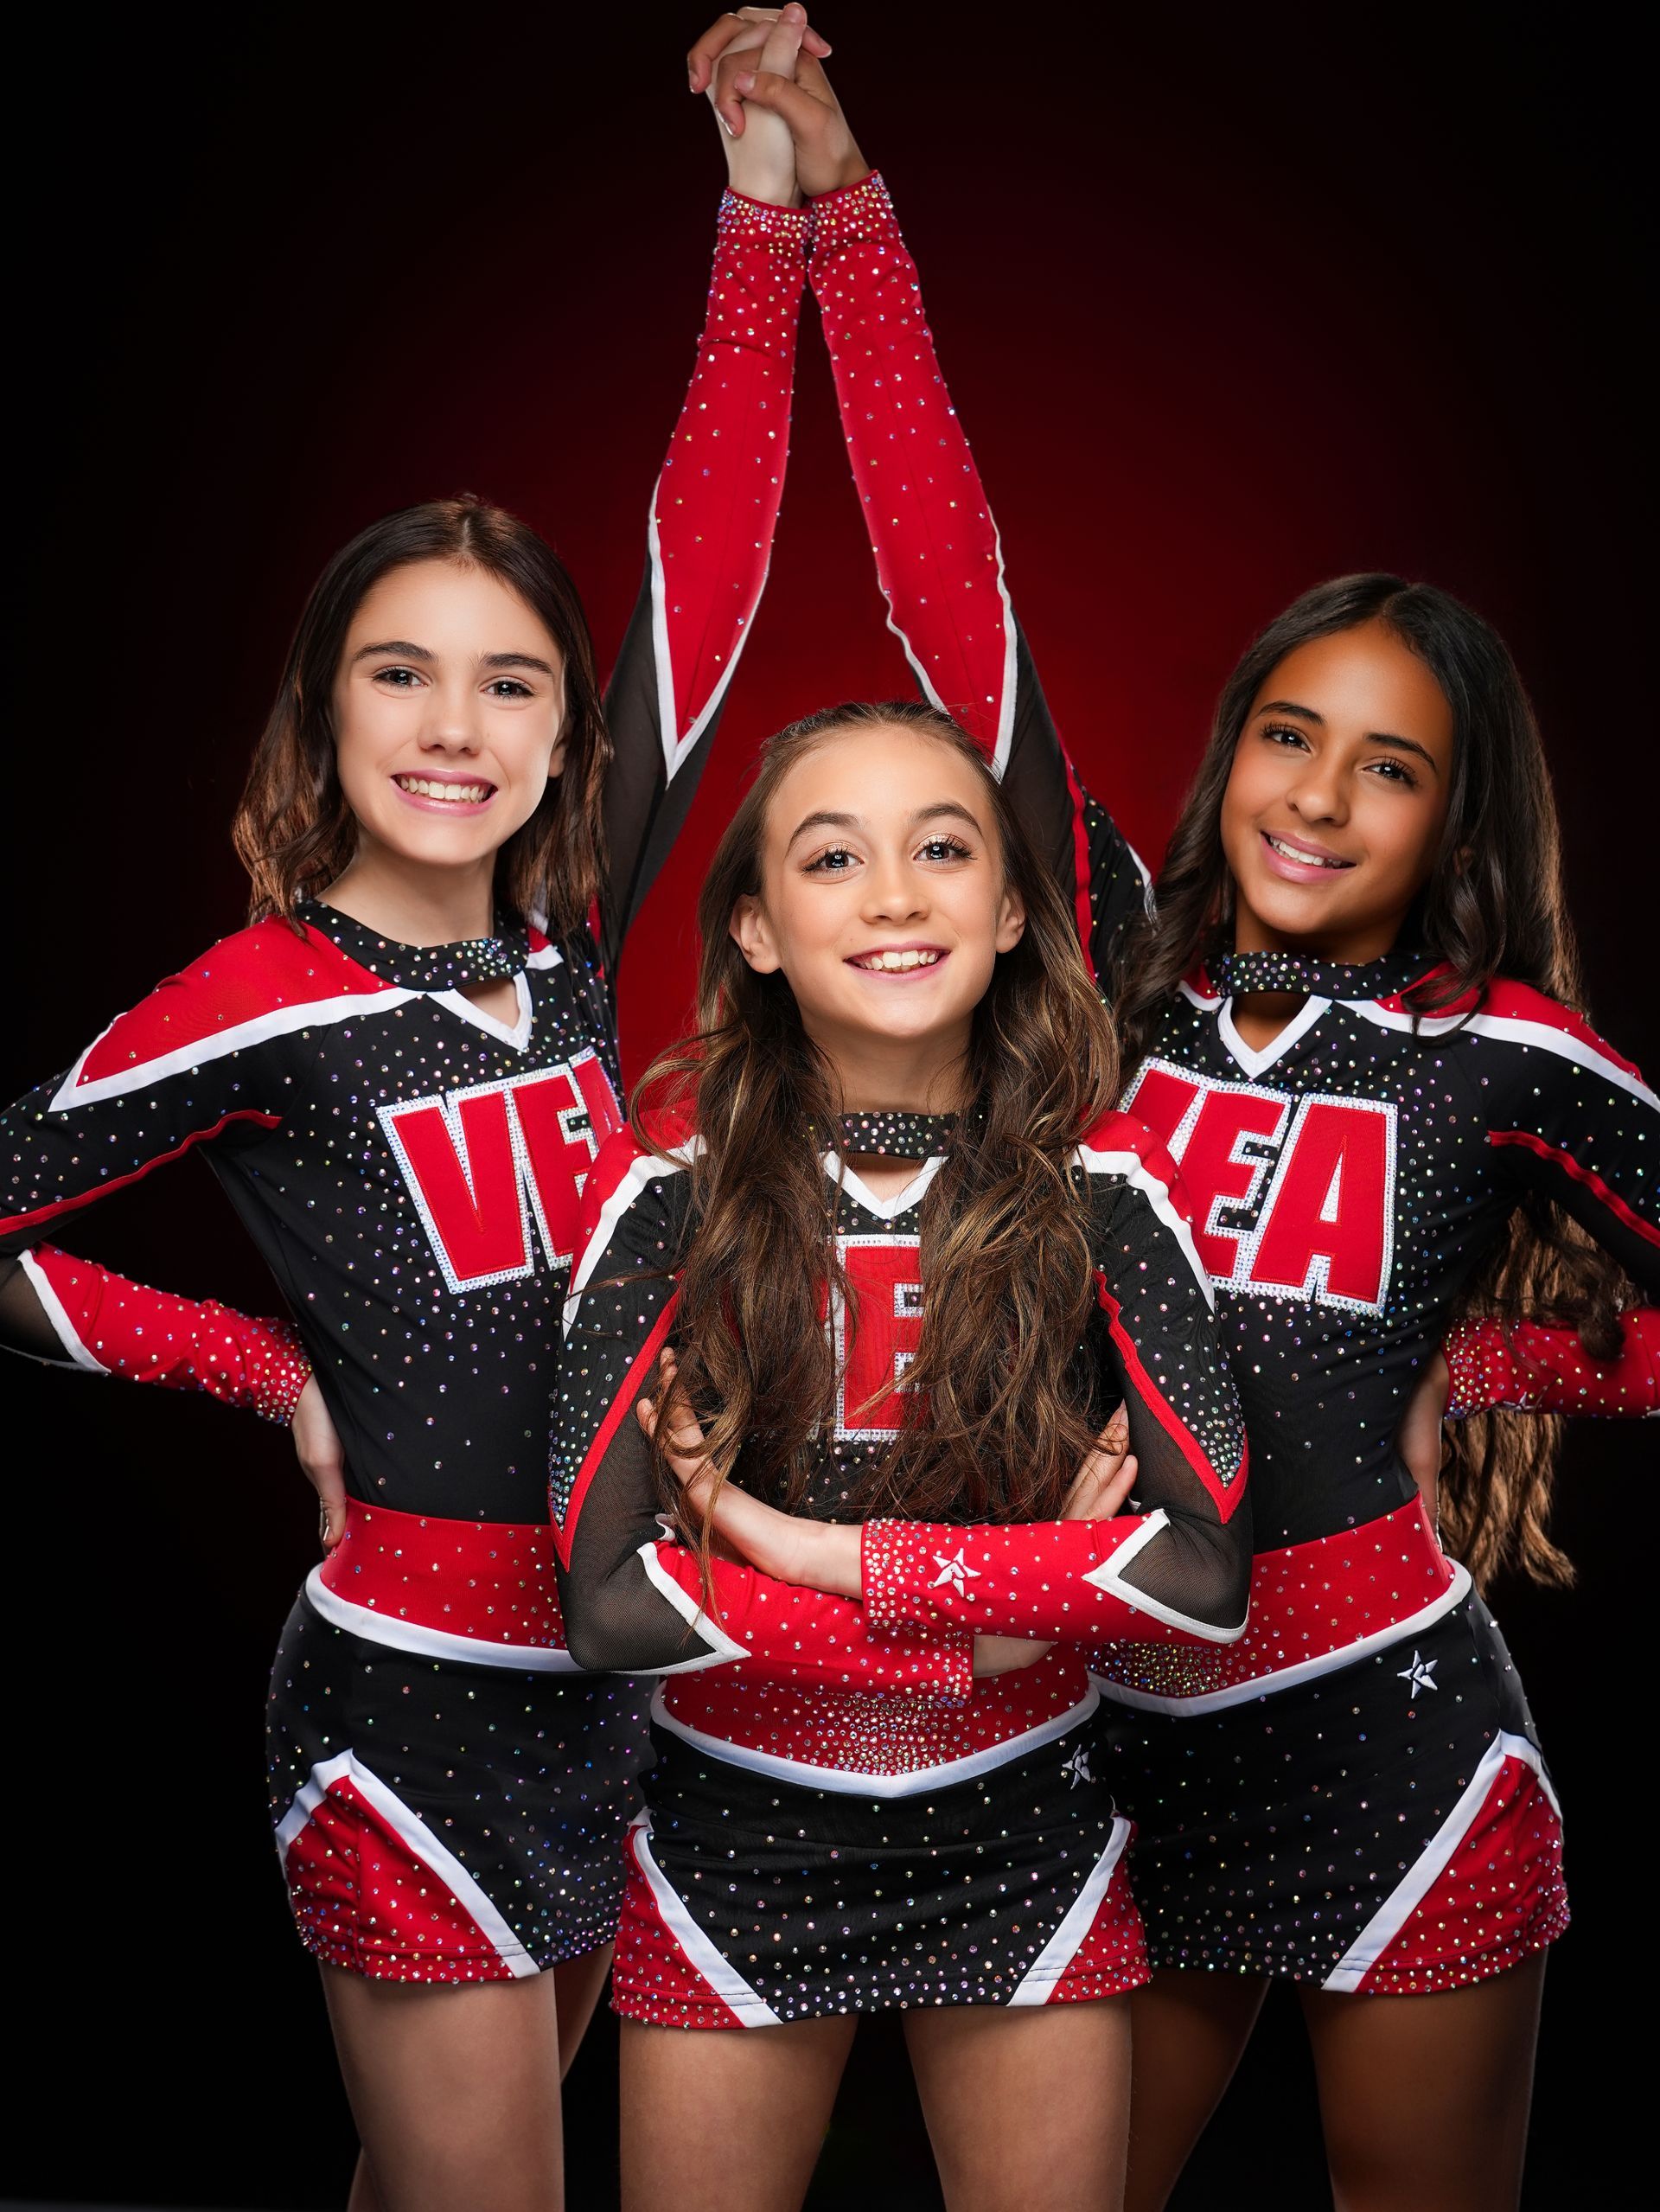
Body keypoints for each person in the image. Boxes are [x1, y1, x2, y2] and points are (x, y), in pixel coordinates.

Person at [686, 17, 1660, 2207]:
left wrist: (1480, 1361)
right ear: (1230, 747)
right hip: (1119, 1743)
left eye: (1390, 766)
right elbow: (965, 616)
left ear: (1459, 816)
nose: (1320, 796)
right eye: (1289, 734)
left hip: (1398, 1745)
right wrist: (840, 209)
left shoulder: (1504, 1048)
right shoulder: (1112, 954)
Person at [0, 22, 830, 2198]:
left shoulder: (556, 952)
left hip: (607, 1671)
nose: (454, 726)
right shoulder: (255, 998)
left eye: (512, 680)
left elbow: (706, 575)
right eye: (401, 669)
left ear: (568, 738)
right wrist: (253, 1360)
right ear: (327, 702)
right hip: (413, 1697)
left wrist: (764, 209)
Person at [553, 699, 1251, 2212]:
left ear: (1010, 911)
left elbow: (1204, 1581)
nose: (892, 895)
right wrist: (1003, 1620)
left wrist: (801, 1552)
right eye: (831, 857)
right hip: (735, 1831)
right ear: (752, 924)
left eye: (943, 848)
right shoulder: (661, 1200)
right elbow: (607, 1602)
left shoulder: (1105, 1194)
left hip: (1023, 1829)